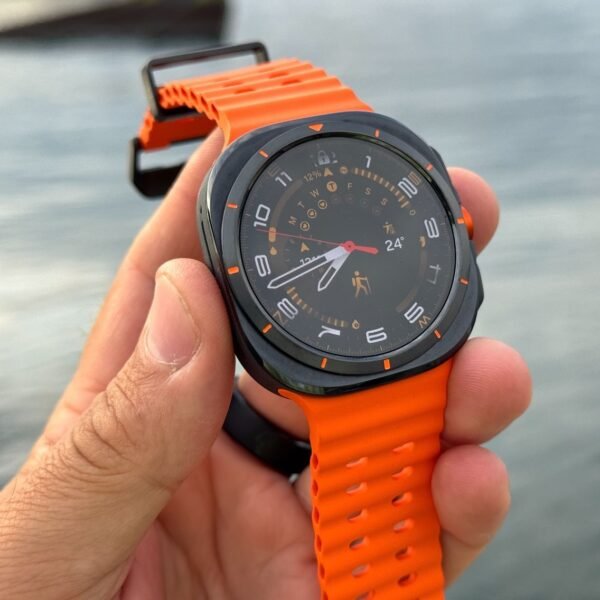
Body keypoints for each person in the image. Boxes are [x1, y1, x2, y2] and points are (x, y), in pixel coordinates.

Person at [0, 131, 532, 599]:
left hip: (406, 362)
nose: (348, 245)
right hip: (347, 380)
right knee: (469, 471)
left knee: (466, 467)